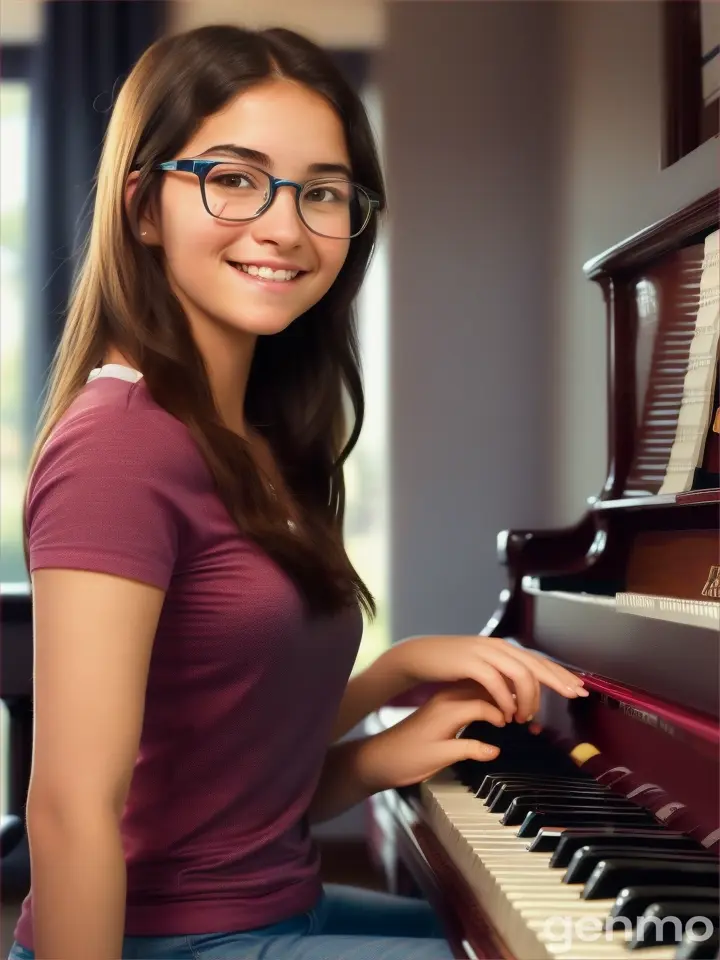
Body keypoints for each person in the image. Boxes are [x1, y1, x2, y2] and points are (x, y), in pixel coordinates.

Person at [8, 24, 588, 960]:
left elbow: (218, 779)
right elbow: (73, 811)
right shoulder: (118, 447)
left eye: (321, 192)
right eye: (234, 178)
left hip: (279, 909)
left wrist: (389, 701)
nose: (283, 226)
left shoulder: (258, 440)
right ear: (144, 208)